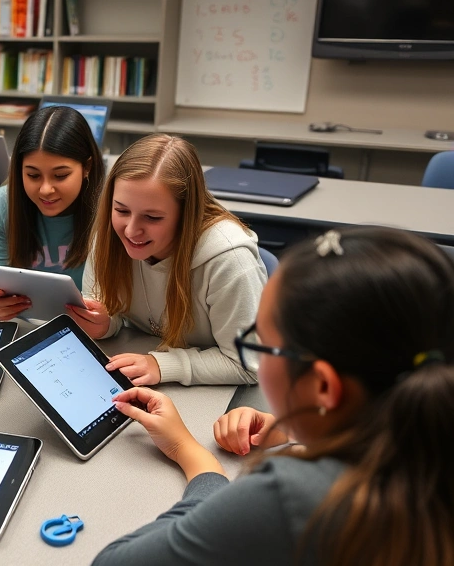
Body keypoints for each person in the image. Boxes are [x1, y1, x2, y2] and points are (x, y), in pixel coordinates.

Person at [93, 226, 454, 566]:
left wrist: (192, 455)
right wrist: (294, 433)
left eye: (264, 343)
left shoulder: (291, 497)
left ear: (323, 387)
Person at [71, 134, 266, 386]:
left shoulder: (230, 261)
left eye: (152, 217)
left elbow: (249, 364)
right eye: (121, 210)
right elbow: (110, 309)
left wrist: (163, 364)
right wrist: (105, 323)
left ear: (186, 214)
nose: (130, 231)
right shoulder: (110, 236)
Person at [0, 105, 104, 321]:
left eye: (60, 175)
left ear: (87, 167)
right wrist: (0, 303)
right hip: (26, 327)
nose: (46, 189)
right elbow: (3, 288)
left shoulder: (109, 209)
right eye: (33, 175)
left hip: (92, 331)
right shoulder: (4, 204)